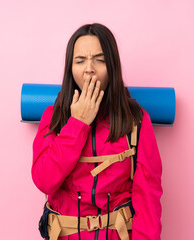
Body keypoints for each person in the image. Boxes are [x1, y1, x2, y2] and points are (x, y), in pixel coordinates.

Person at [31, 23, 163, 240]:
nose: (89, 68)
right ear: (70, 69)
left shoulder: (136, 120)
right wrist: (77, 124)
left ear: (112, 67)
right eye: (80, 61)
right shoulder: (53, 117)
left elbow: (148, 201)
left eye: (99, 60)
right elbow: (44, 180)